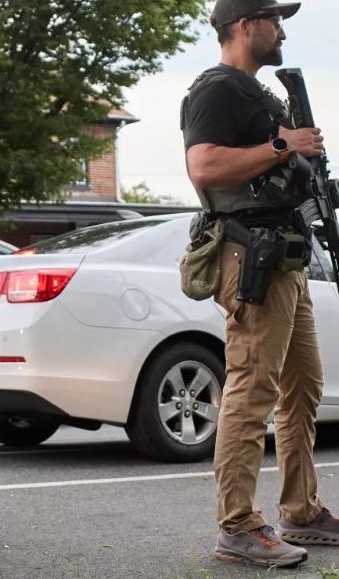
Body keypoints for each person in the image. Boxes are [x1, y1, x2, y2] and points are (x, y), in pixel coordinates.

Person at [181, 0, 339, 568]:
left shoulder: (259, 92)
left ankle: (301, 509)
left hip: (286, 257)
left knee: (303, 387)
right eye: (274, 19)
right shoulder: (217, 89)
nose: (282, 29)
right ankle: (239, 526)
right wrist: (282, 145)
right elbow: (203, 168)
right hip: (253, 256)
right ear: (245, 25)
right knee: (252, 391)